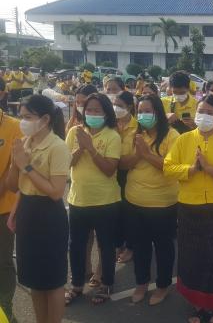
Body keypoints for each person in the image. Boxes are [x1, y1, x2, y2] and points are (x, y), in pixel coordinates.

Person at [164, 94, 213, 323]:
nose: (205, 116)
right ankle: (198, 305)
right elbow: (168, 168)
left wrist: (210, 169)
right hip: (191, 207)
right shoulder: (183, 139)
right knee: (193, 257)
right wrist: (190, 169)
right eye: (201, 111)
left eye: (210, 112)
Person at [6, 95, 70, 323]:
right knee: (34, 279)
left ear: (44, 119)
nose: (22, 121)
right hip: (27, 213)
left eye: (27, 117)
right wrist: (16, 164)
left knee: (52, 280)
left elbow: (55, 191)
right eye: (20, 116)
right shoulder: (25, 143)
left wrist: (27, 166)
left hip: (49, 216)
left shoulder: (58, 147)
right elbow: (14, 186)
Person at [120, 94, 179, 305]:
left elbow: (171, 169)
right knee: (140, 245)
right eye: (140, 110)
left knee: (163, 247)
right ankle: (141, 283)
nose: (143, 115)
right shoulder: (134, 135)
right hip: (134, 200)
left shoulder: (172, 136)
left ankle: (162, 286)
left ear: (159, 113)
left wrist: (145, 155)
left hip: (163, 203)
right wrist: (139, 154)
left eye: (148, 111)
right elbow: (123, 164)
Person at [65, 93, 121, 305]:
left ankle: (106, 284)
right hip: (78, 199)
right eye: (88, 110)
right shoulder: (74, 132)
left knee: (106, 245)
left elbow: (109, 170)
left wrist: (91, 148)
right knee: (76, 245)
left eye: (97, 110)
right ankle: (77, 285)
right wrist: (81, 147)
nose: (92, 114)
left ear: (106, 113)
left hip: (105, 201)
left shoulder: (112, 136)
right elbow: (67, 164)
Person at [0, 107, 22, 322]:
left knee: (2, 261)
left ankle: (5, 308)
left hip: (3, 208)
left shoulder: (14, 127)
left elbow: (15, 167)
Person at [114, 91, 137, 264]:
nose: (116, 108)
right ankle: (118, 244)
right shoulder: (110, 124)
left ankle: (131, 246)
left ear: (129, 107)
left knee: (130, 212)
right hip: (111, 172)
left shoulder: (138, 127)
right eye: (114, 104)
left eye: (120, 106)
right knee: (115, 212)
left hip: (130, 172)